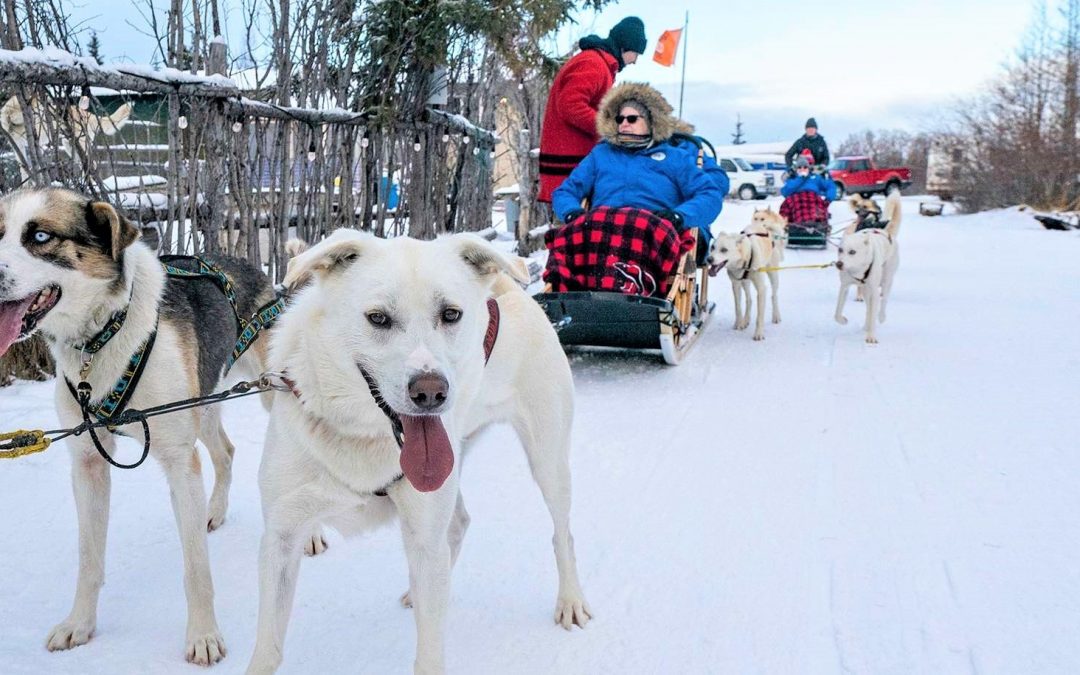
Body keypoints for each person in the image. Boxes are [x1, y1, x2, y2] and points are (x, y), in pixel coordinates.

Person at [552, 82, 724, 244]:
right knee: (561, 246)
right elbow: (566, 191)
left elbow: (709, 194)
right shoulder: (601, 154)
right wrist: (571, 212)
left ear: (651, 121)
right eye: (619, 119)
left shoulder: (675, 157)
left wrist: (680, 216)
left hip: (654, 233)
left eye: (632, 119)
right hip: (603, 230)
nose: (624, 123)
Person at [537, 17, 647, 203]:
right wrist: (609, 128)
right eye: (636, 53)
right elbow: (571, 106)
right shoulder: (593, 64)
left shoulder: (601, 64)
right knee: (572, 220)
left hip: (575, 165)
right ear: (624, 47)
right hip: (570, 167)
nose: (635, 61)